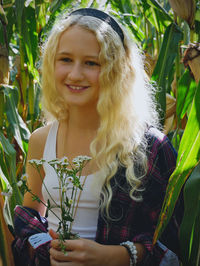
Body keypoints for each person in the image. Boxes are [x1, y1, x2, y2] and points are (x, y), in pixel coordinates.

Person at [12, 8, 183, 266]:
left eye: (92, 63)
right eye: (65, 59)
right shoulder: (41, 140)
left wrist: (113, 256)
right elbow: (30, 215)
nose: (75, 74)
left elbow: (172, 241)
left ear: (117, 70)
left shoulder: (149, 148)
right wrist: (46, 249)